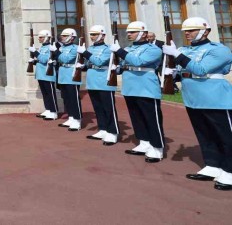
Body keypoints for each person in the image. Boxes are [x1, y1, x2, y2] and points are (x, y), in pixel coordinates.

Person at [162, 17, 232, 191]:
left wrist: (177, 55)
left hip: (215, 98)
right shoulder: (184, 49)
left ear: (205, 31)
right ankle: (212, 165)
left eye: (192, 30)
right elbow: (184, 72)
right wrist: (172, 72)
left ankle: (230, 170)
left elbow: (200, 70)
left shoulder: (219, 50)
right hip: (193, 98)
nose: (187, 33)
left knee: (225, 136)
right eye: (186, 30)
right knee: (204, 134)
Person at [112, 21, 164, 163]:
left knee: (151, 118)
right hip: (130, 86)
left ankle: (157, 147)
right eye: (128, 32)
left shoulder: (153, 49)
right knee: (136, 116)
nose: (129, 34)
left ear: (143, 33)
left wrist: (120, 51)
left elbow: (138, 62)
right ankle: (144, 142)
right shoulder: (128, 48)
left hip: (146, 86)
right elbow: (124, 65)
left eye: (132, 32)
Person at [78, 25, 118, 145]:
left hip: (104, 81)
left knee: (108, 108)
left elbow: (99, 62)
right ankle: (103, 129)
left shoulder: (108, 49)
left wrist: (85, 53)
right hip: (92, 81)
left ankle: (113, 132)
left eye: (94, 34)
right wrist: (82, 66)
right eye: (91, 34)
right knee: (98, 108)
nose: (92, 36)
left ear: (102, 35)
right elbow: (88, 63)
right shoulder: (90, 48)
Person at [55, 28, 82, 131]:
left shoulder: (75, 48)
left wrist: (56, 52)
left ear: (72, 37)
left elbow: (65, 59)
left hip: (71, 75)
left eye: (65, 36)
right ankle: (71, 117)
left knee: (73, 98)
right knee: (66, 98)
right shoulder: (62, 48)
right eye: (62, 36)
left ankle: (77, 119)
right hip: (62, 75)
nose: (62, 37)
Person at [29, 30, 58, 120]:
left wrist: (35, 53)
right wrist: (33, 61)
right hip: (41, 74)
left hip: (47, 74)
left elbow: (44, 59)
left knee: (50, 93)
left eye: (41, 37)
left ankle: (54, 111)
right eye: (39, 37)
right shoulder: (42, 47)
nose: (39, 39)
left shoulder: (50, 47)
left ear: (47, 37)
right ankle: (48, 109)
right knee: (45, 93)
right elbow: (40, 60)